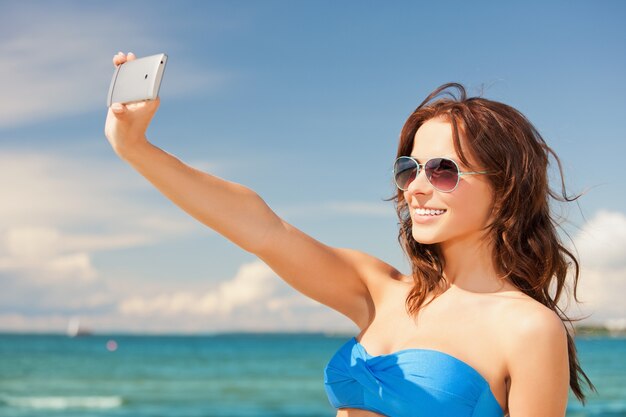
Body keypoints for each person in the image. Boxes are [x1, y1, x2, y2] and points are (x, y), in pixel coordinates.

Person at [105, 52, 595, 417]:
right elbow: (262, 229)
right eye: (409, 169)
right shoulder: (378, 291)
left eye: (444, 171)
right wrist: (136, 149)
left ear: (505, 187)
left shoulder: (529, 329)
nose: (417, 188)